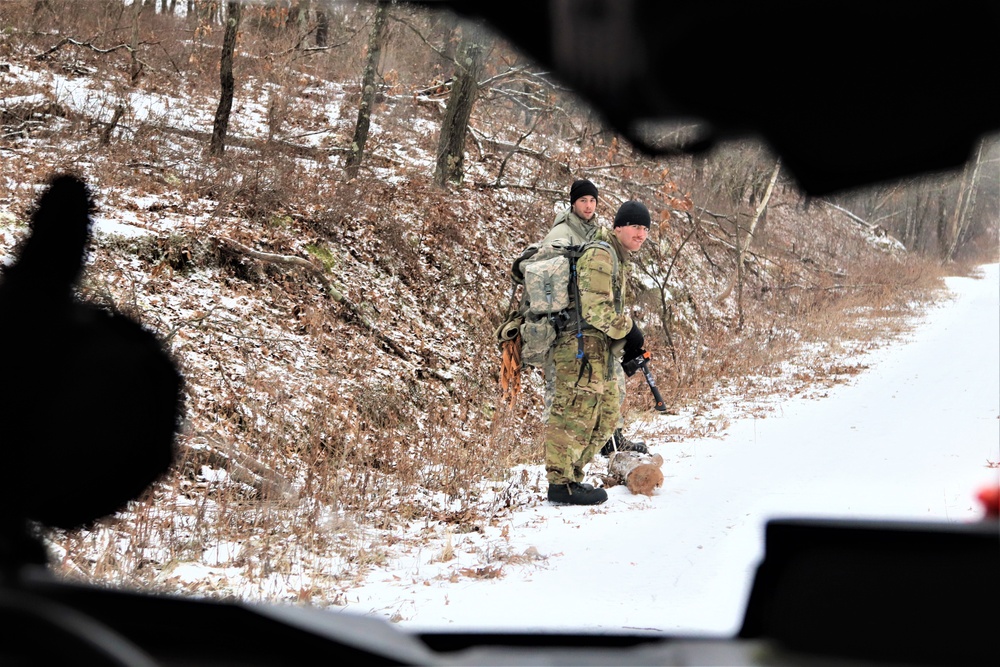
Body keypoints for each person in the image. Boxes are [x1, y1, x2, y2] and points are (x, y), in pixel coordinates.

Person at [545, 200, 651, 505]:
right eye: (635, 226)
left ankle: (573, 476)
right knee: (573, 414)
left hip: (597, 346)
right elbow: (595, 311)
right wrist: (629, 329)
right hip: (577, 346)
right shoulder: (601, 254)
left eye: (645, 229)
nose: (641, 234)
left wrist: (626, 339)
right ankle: (560, 483)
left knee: (605, 415)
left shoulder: (617, 256)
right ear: (618, 227)